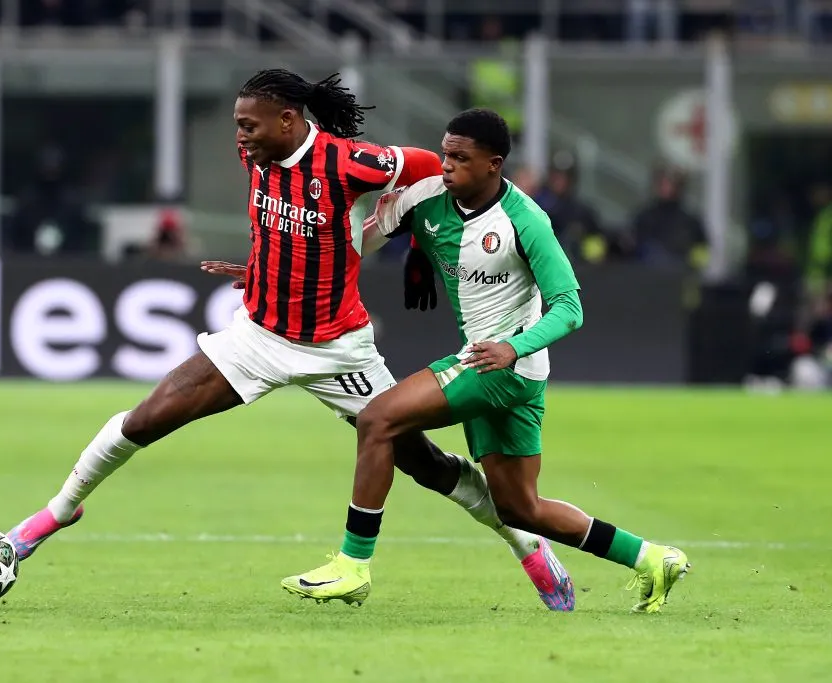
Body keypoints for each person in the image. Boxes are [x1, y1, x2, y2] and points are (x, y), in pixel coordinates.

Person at [6, 71, 575, 611]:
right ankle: (55, 513)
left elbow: (431, 173)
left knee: (422, 462)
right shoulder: (257, 155)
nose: (240, 137)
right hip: (256, 337)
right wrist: (263, 270)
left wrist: (424, 251)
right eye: (237, 125)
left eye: (248, 125)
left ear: (286, 120)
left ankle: (526, 544)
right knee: (145, 419)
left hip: (340, 349)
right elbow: (288, 230)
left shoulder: (353, 162)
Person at [283, 109, 690, 613]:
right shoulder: (425, 197)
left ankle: (353, 564)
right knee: (521, 508)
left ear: (494, 164)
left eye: (460, 157)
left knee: (376, 419)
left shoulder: (525, 220)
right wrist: (273, 272)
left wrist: (512, 347)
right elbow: (347, 250)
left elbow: (570, 308)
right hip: (501, 369)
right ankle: (651, 558)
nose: (446, 165)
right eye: (444, 153)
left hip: (503, 366)